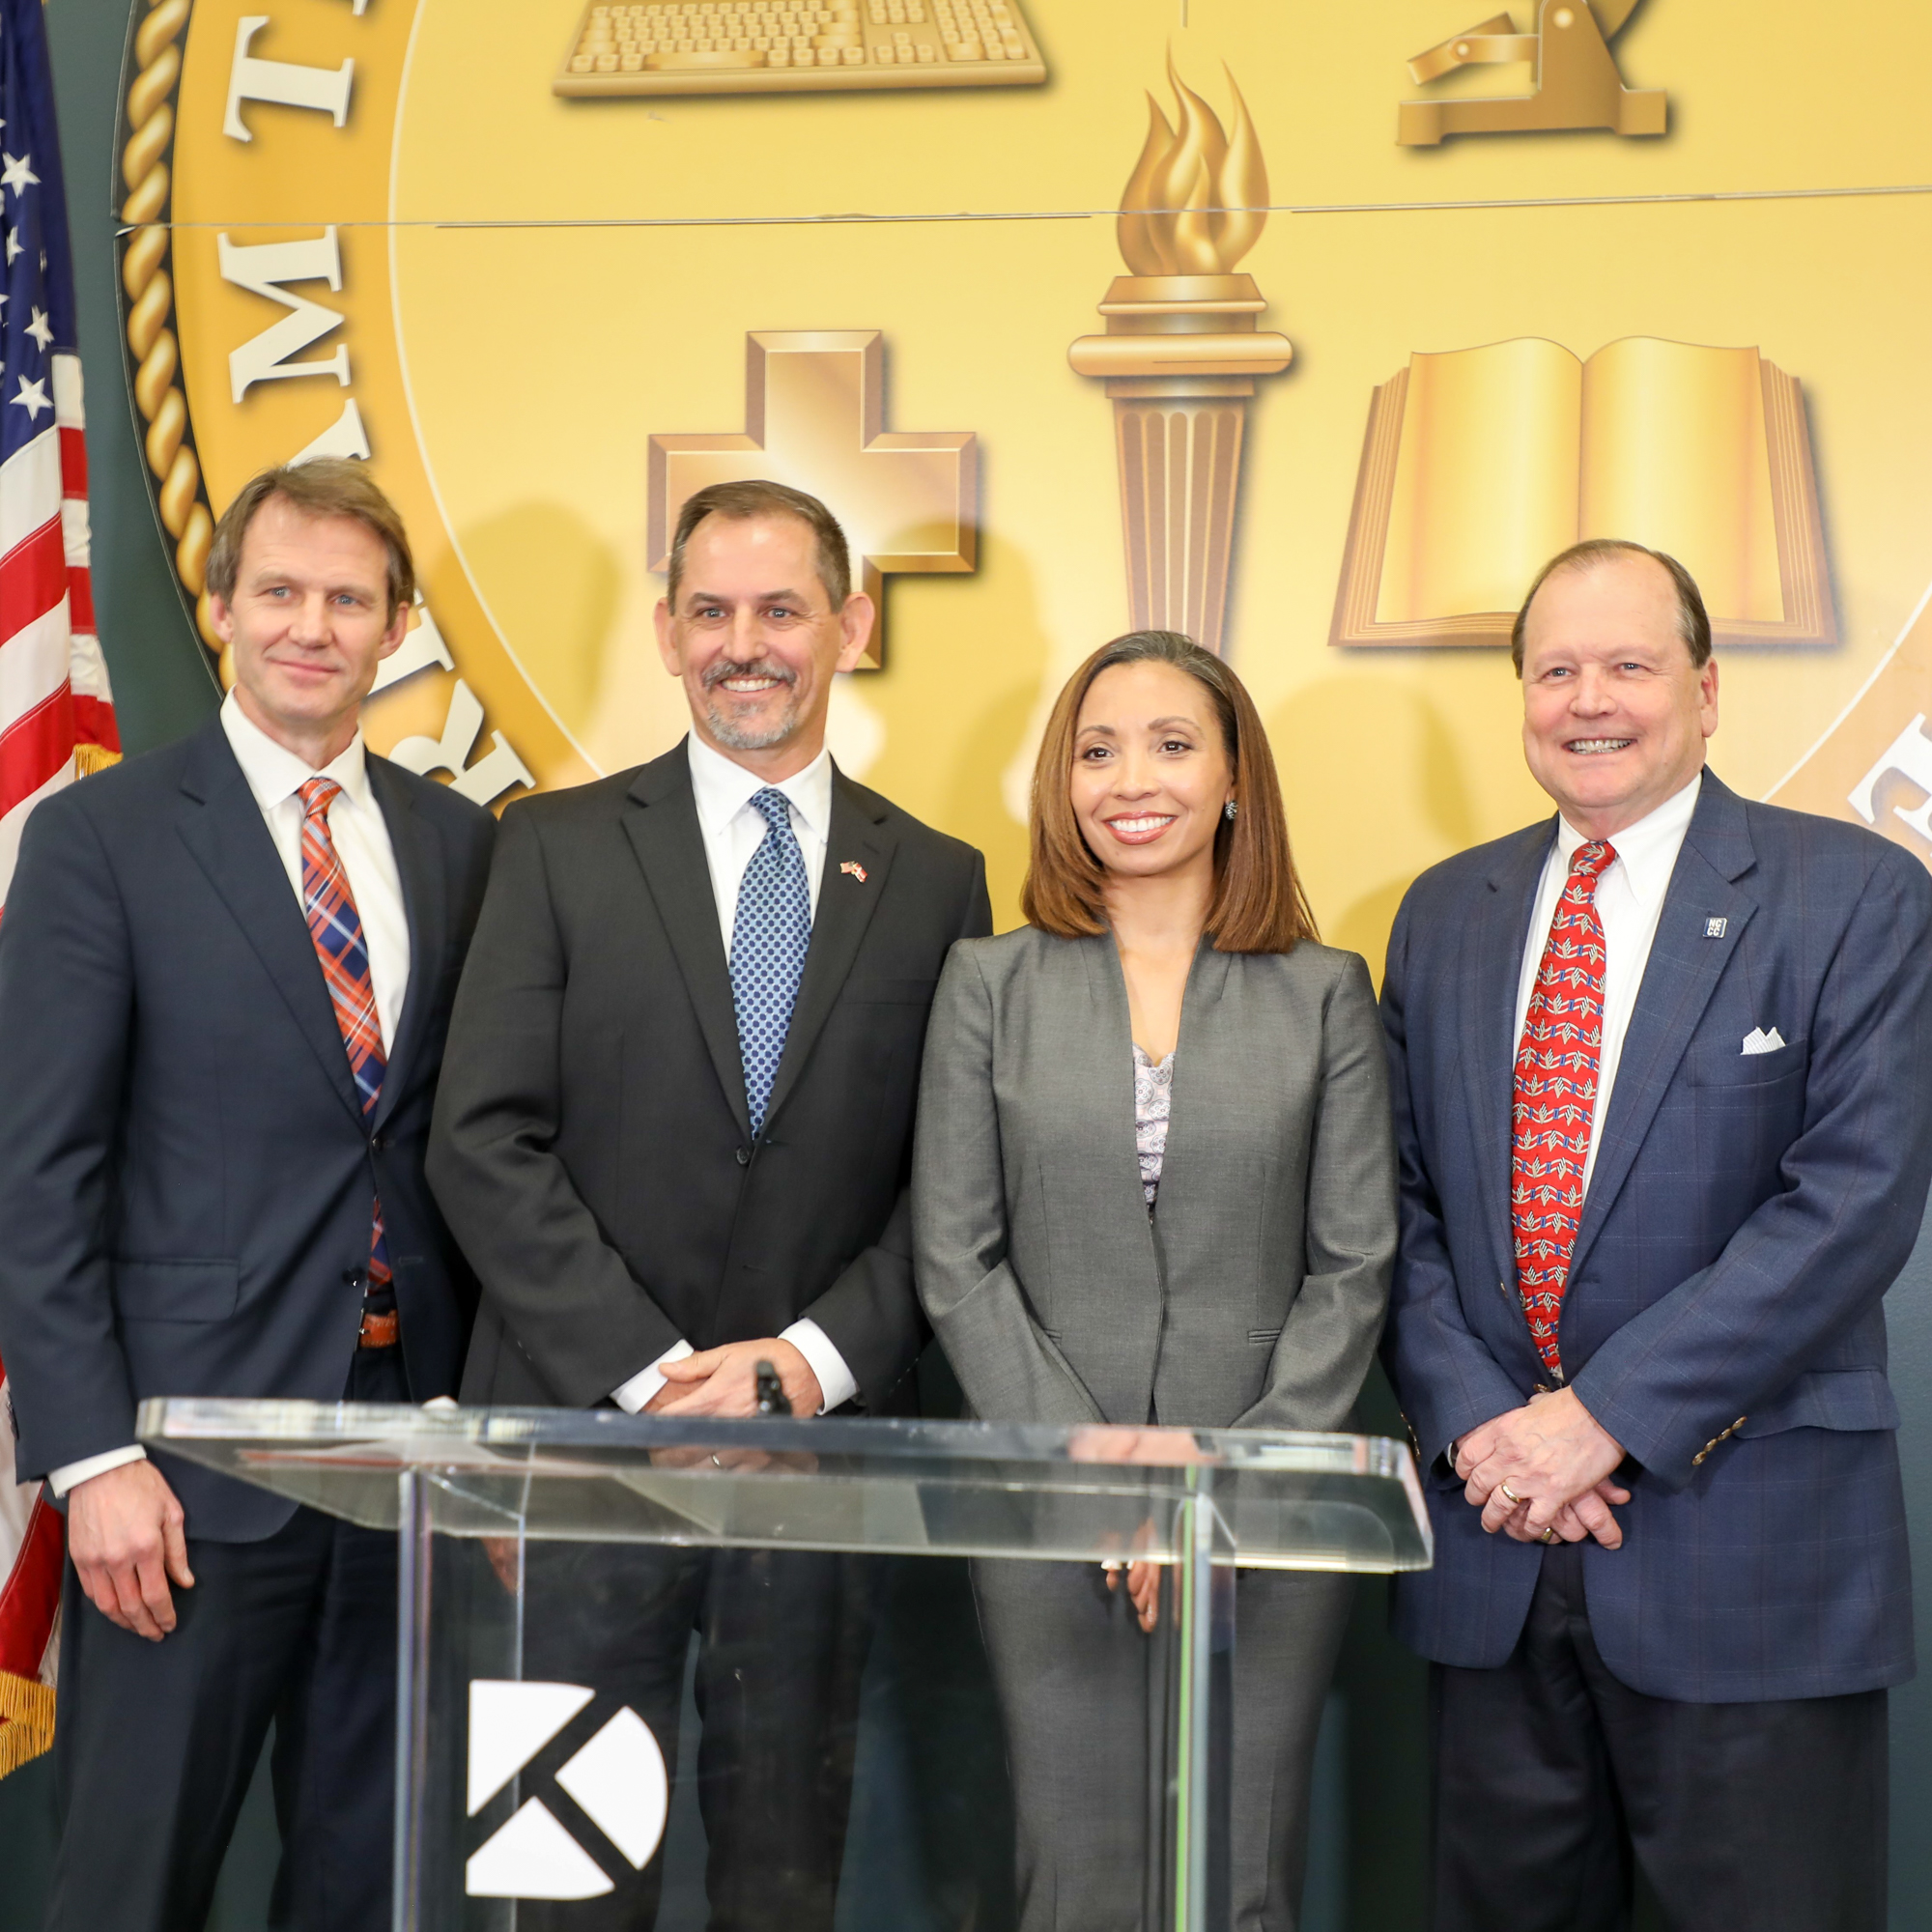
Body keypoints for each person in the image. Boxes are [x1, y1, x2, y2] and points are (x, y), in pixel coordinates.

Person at [428, 478, 991, 1930]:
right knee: (555, 1889)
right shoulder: (551, 846)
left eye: (781, 610)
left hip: (816, 1466)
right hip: (580, 1453)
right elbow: (482, 1140)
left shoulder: (937, 881)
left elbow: (948, 1185)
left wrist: (797, 1368)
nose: (746, 645)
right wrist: (654, 1379)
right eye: (713, 612)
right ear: (669, 632)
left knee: (782, 1879)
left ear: (851, 626)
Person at [1380, 538, 1932, 1931]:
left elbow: (1852, 1201)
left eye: (1630, 665)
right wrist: (1486, 1432)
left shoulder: (1855, 894)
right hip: (1495, 1547)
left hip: (1747, 1559)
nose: (1590, 701)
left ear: (1707, 690)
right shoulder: (1445, 914)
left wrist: (1601, 1422)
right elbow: (1395, 1206)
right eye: (1555, 670)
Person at [0, 460, 497, 1932]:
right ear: (220, 608)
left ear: (395, 627)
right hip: (180, 1487)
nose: (310, 626)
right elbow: (37, 1173)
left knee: (368, 1892)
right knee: (131, 1889)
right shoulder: (103, 839)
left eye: (348, 599)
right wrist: (93, 1461)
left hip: (408, 1465)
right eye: (278, 591)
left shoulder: (460, 846)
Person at [913, 629, 1396, 1932]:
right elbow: (956, 1257)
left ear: (1235, 779)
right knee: (1072, 1878)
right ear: (1062, 783)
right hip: (1049, 1502)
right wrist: (1102, 1471)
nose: (1132, 780)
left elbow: (1354, 1265)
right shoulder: (989, 983)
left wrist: (1217, 1488)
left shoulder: (1325, 994)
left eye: (1173, 746)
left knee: (1240, 1880)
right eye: (1098, 750)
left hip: (1264, 1511)